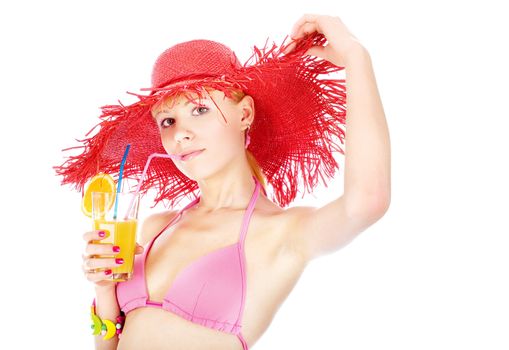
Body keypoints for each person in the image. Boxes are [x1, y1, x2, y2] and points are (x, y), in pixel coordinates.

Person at [57, 14, 390, 350]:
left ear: (244, 115)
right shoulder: (155, 229)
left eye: (200, 110)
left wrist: (355, 56)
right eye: (168, 120)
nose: (181, 134)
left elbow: (367, 201)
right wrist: (104, 288)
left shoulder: (281, 232)